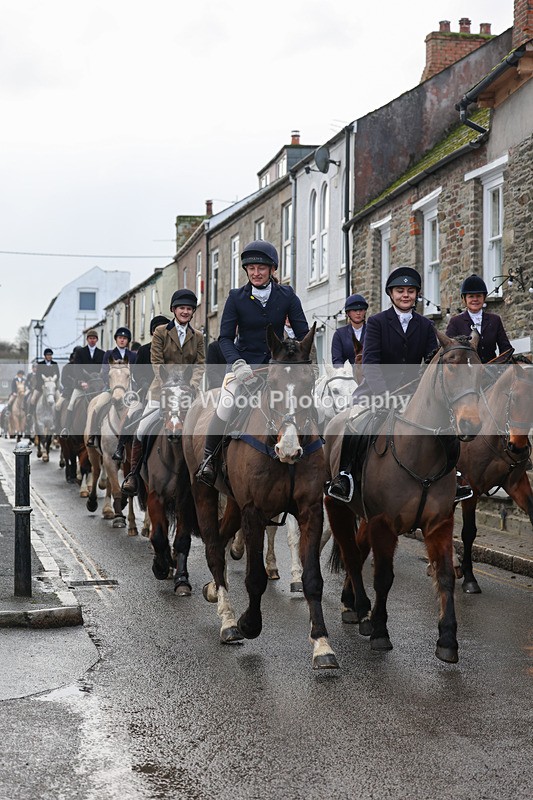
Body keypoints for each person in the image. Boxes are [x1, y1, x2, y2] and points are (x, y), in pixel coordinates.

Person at [327, 266, 474, 502]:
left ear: (416, 294)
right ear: (391, 294)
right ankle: (344, 476)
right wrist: (384, 394)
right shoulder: (376, 323)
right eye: (400, 291)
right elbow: (371, 363)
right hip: (376, 391)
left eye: (410, 291)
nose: (405, 295)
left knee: (445, 427)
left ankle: (453, 477)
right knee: (357, 424)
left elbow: (431, 361)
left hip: (414, 394)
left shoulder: (426, 326)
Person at [195, 239, 310, 486]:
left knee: (309, 404)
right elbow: (225, 338)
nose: (256, 273)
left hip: (277, 368)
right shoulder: (236, 297)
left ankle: (319, 461)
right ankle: (209, 460)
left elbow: (303, 333)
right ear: (246, 270)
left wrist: (302, 363)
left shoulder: (287, 295)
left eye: (261, 268)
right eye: (251, 269)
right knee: (226, 404)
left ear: (272, 269)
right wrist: (237, 363)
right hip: (244, 367)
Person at [121, 291, 204, 496]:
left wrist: (192, 385)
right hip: (161, 391)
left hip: (188, 393)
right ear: (173, 310)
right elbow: (156, 362)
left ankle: (205, 472)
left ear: (193, 312)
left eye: (189, 308)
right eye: (181, 308)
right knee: (142, 428)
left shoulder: (199, 336)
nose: (185, 311)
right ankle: (133, 474)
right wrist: (167, 384)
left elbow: (201, 365)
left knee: (204, 429)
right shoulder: (160, 332)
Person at [111, 314, 170, 465]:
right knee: (131, 414)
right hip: (147, 392)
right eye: (158, 329)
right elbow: (137, 371)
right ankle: (121, 447)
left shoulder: (173, 351)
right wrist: (144, 382)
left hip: (171, 393)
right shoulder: (144, 350)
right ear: (152, 333)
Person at [86, 327, 138, 448]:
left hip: (129, 390)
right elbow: (104, 372)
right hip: (111, 389)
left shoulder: (133, 356)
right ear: (116, 339)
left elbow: (135, 373)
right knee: (97, 407)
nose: (122, 340)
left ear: (128, 341)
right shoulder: (109, 354)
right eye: (120, 338)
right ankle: (93, 434)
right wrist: (112, 386)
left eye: (124, 338)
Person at [445, 274, 512, 363]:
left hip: (492, 372)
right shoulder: (455, 322)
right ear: (464, 299)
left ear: (484, 298)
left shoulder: (495, 320)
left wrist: (496, 366)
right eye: (471, 296)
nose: (475, 299)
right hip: (466, 373)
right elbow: (448, 351)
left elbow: (506, 349)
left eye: (479, 296)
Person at [60, 330, 106, 435]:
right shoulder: (81, 353)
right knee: (71, 403)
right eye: (90, 338)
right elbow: (77, 369)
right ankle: (66, 428)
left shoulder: (102, 353)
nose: (92, 340)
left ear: (97, 340)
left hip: (97, 387)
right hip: (83, 385)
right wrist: (81, 382)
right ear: (87, 339)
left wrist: (102, 382)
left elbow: (104, 369)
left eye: (94, 338)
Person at [331, 293, 368, 366]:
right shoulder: (339, 334)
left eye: (361, 310)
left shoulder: (373, 331)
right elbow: (337, 360)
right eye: (354, 310)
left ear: (365, 311)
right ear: (348, 313)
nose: (358, 313)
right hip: (347, 374)